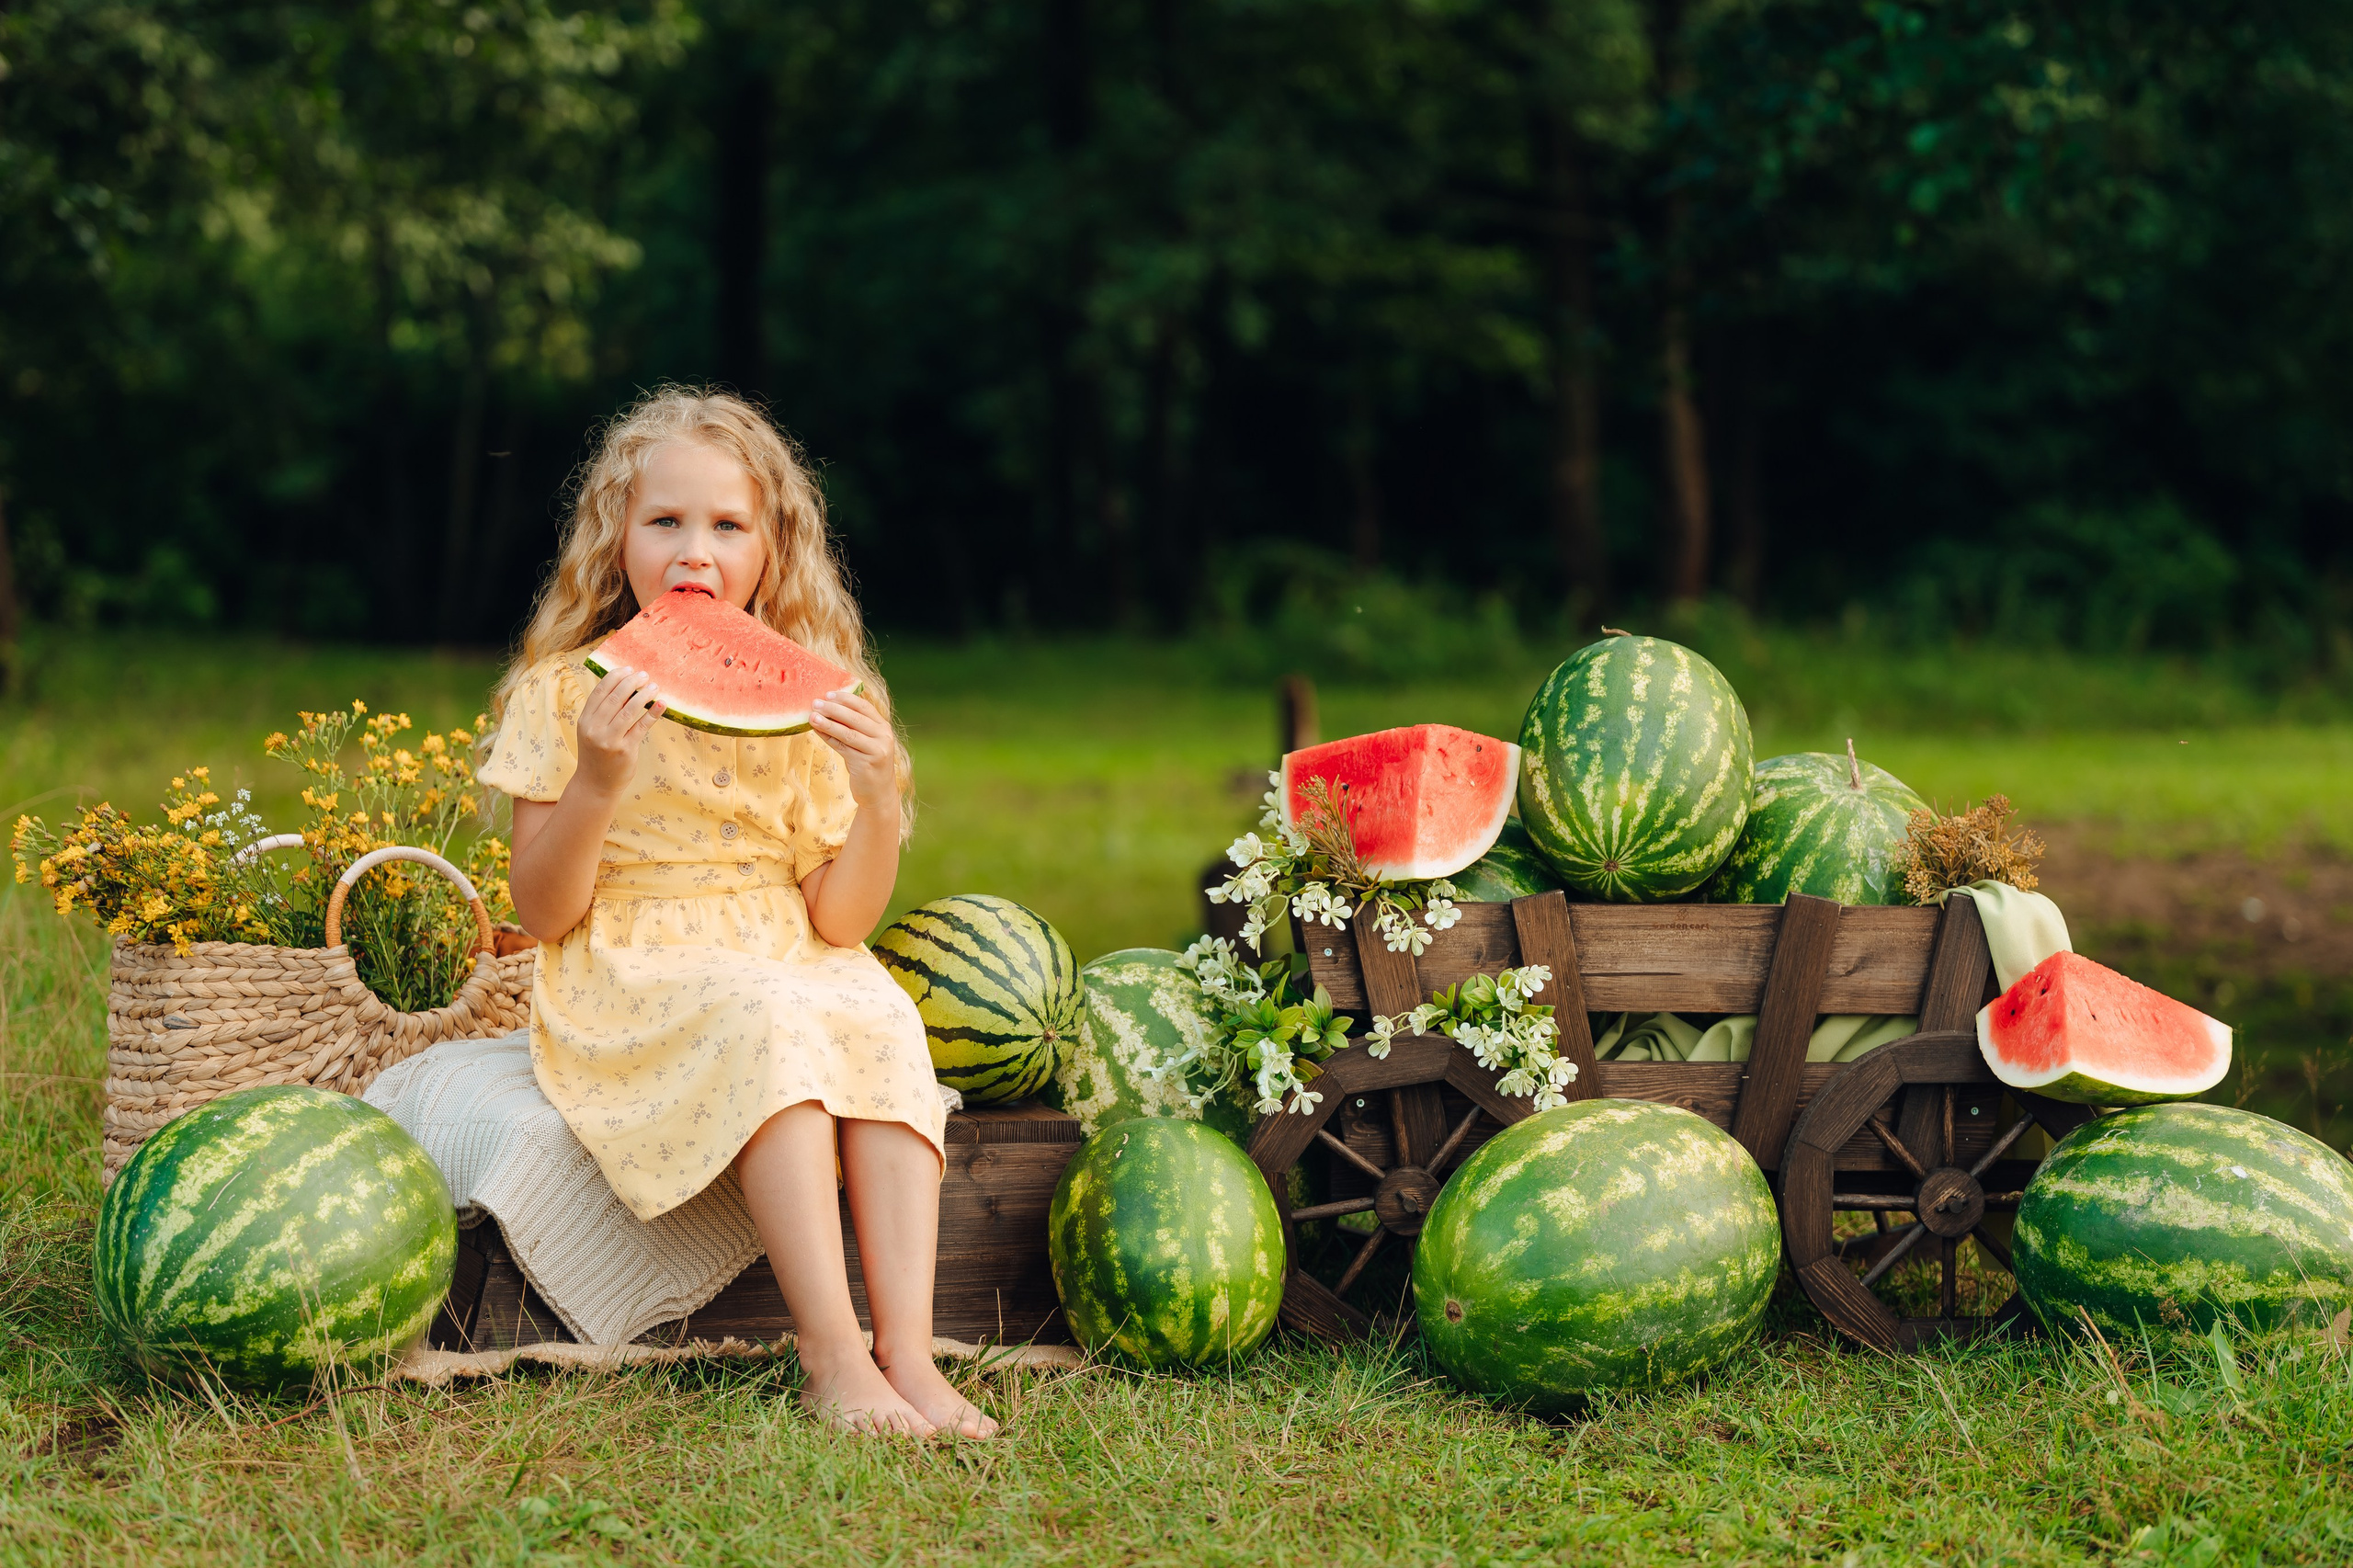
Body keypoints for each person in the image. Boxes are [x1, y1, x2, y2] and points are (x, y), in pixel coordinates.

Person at [481, 386, 995, 1439]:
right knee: (767, 1019)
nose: (693, 554)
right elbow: (540, 911)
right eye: (664, 520)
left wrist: (878, 798)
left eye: (726, 525)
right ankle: (832, 1353)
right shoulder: (558, 691)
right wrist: (594, 779)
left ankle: (908, 1344)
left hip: (785, 937)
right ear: (614, 535)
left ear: (773, 546)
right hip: (628, 957)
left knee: (882, 1017)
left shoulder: (823, 699)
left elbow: (841, 919)